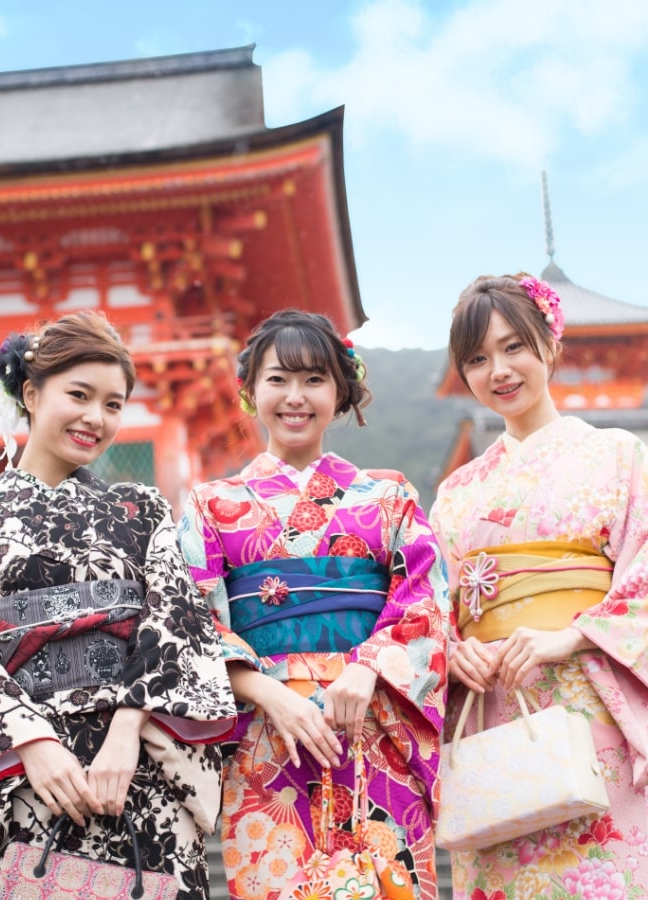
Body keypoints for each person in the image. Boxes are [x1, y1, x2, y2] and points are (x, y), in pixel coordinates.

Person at [0, 310, 236, 900]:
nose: (96, 418)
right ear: (31, 394)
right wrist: (33, 745)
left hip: (141, 768)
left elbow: (178, 625)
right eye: (79, 395)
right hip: (34, 779)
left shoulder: (141, 511)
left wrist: (126, 731)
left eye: (114, 405)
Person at [178, 309, 450, 900]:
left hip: (374, 721)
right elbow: (189, 623)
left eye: (314, 380)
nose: (295, 397)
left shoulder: (390, 495)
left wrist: (366, 665)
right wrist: (268, 692)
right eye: (278, 379)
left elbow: (426, 597)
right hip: (266, 739)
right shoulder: (210, 506)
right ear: (250, 392)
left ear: (340, 391)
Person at [430, 273, 648, 898]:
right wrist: (452, 645)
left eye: (512, 347)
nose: (497, 369)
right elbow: (430, 603)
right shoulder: (455, 491)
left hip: (587, 701)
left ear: (550, 343)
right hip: (493, 717)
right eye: (476, 358)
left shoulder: (614, 454)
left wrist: (568, 637)